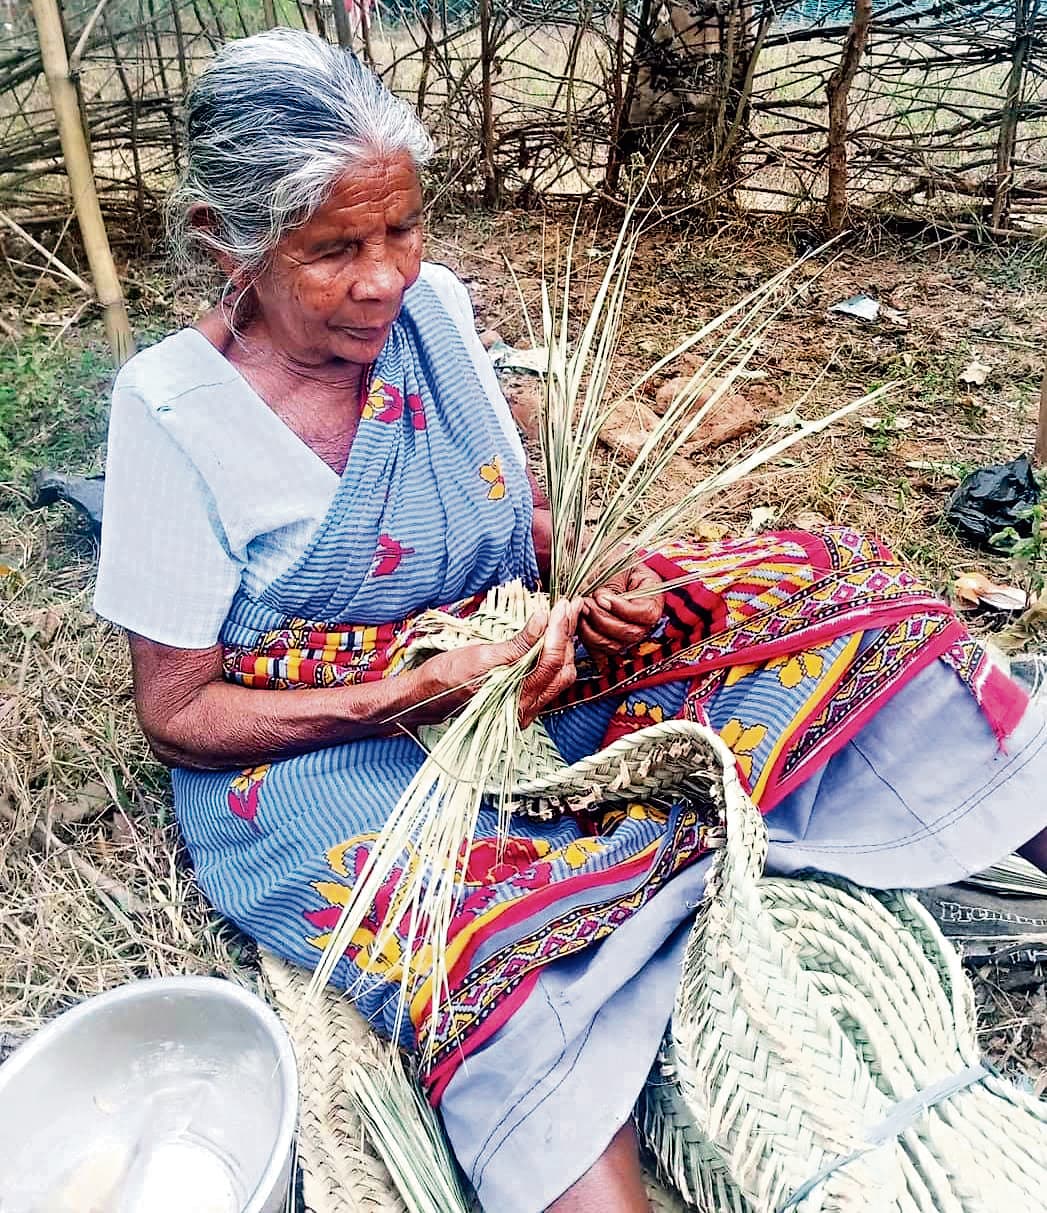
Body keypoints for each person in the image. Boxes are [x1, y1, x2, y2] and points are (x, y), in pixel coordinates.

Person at [94, 29, 1047, 1213]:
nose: (385, 275)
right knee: (504, 931)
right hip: (325, 746)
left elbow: (504, 509)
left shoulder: (432, 312)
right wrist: (417, 691)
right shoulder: (175, 410)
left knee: (841, 593)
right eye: (334, 247)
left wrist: (608, 567)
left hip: (521, 653)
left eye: (401, 228)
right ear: (219, 241)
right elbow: (179, 714)